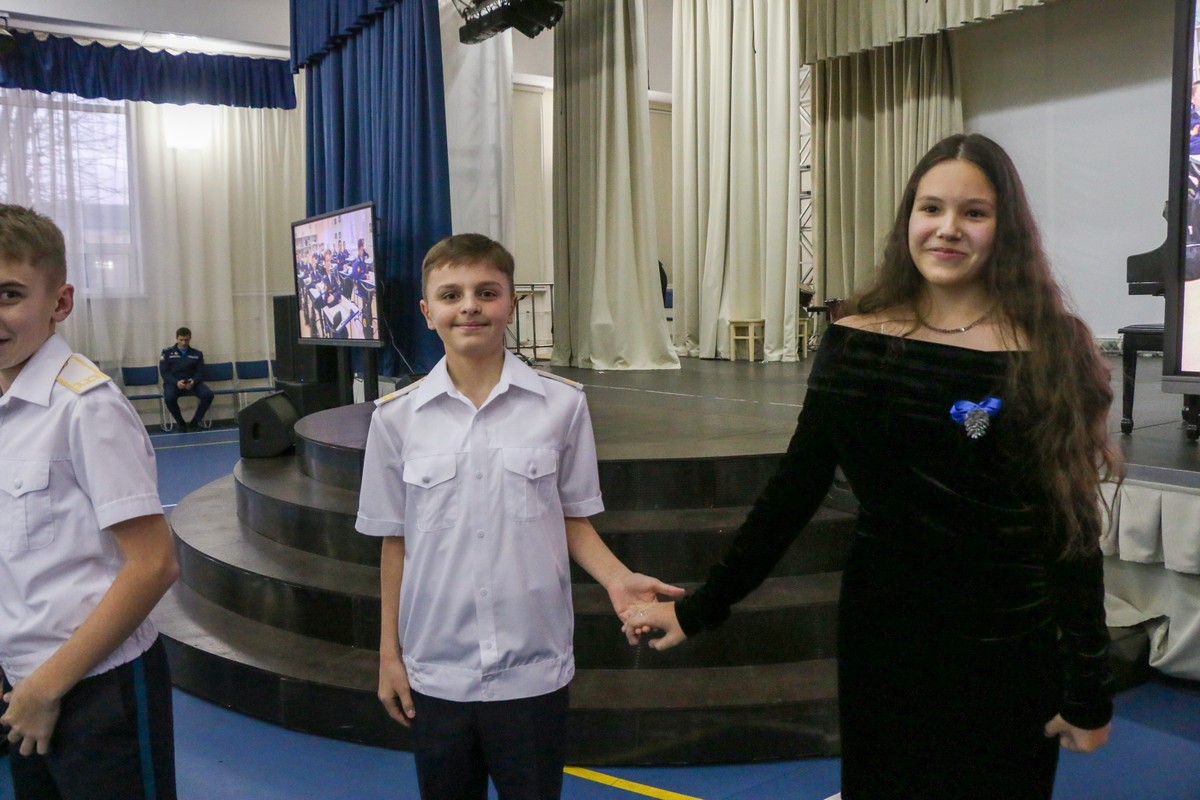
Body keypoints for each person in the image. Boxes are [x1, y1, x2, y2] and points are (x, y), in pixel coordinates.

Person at [623, 134, 1120, 799]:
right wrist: (699, 609)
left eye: (974, 212)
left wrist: (1088, 686)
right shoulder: (856, 344)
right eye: (931, 208)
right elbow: (791, 495)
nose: (948, 228)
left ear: (1006, 229)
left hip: (1010, 646)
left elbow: (1071, 529)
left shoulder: (1052, 350)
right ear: (908, 218)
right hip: (887, 637)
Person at [356, 233, 683, 800]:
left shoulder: (563, 405)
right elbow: (395, 543)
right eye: (451, 295)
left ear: (511, 304)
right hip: (438, 668)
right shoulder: (395, 420)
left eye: (487, 292)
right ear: (428, 311)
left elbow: (571, 516)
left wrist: (616, 578)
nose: (470, 307)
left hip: (533, 667)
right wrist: (390, 655)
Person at [0, 204, 180, 799]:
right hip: (22, 680)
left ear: (60, 302)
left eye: (9, 295)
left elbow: (154, 564)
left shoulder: (86, 407)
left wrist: (47, 685)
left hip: (98, 687)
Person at [159, 326, 213, 432]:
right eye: (181, 340)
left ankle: (195, 422)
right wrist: (176, 382)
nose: (184, 342)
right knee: (169, 398)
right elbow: (164, 372)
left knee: (208, 395)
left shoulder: (197, 354)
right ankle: (181, 423)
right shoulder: (167, 352)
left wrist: (193, 381)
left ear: (190, 338)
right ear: (176, 338)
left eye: (186, 340)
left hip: (192, 383)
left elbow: (201, 372)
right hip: (174, 383)